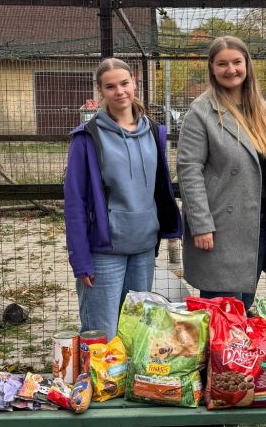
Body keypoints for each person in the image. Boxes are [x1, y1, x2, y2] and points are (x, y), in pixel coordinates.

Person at [64, 58, 182, 340]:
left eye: (124, 83)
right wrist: (80, 260)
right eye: (110, 86)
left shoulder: (154, 133)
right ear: (101, 91)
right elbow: (75, 203)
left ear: (134, 84)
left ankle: (132, 385)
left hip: (143, 246)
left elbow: (159, 187)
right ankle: (98, 384)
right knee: (102, 333)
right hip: (105, 251)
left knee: (136, 332)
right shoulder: (86, 139)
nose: (119, 91)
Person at [177, 36, 266, 310]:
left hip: (257, 223)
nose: (231, 69)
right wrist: (200, 224)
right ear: (212, 68)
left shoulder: (262, 110)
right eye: (222, 64)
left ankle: (235, 355)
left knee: (244, 304)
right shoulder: (201, 112)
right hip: (219, 229)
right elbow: (189, 170)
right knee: (221, 315)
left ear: (247, 64)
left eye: (237, 62)